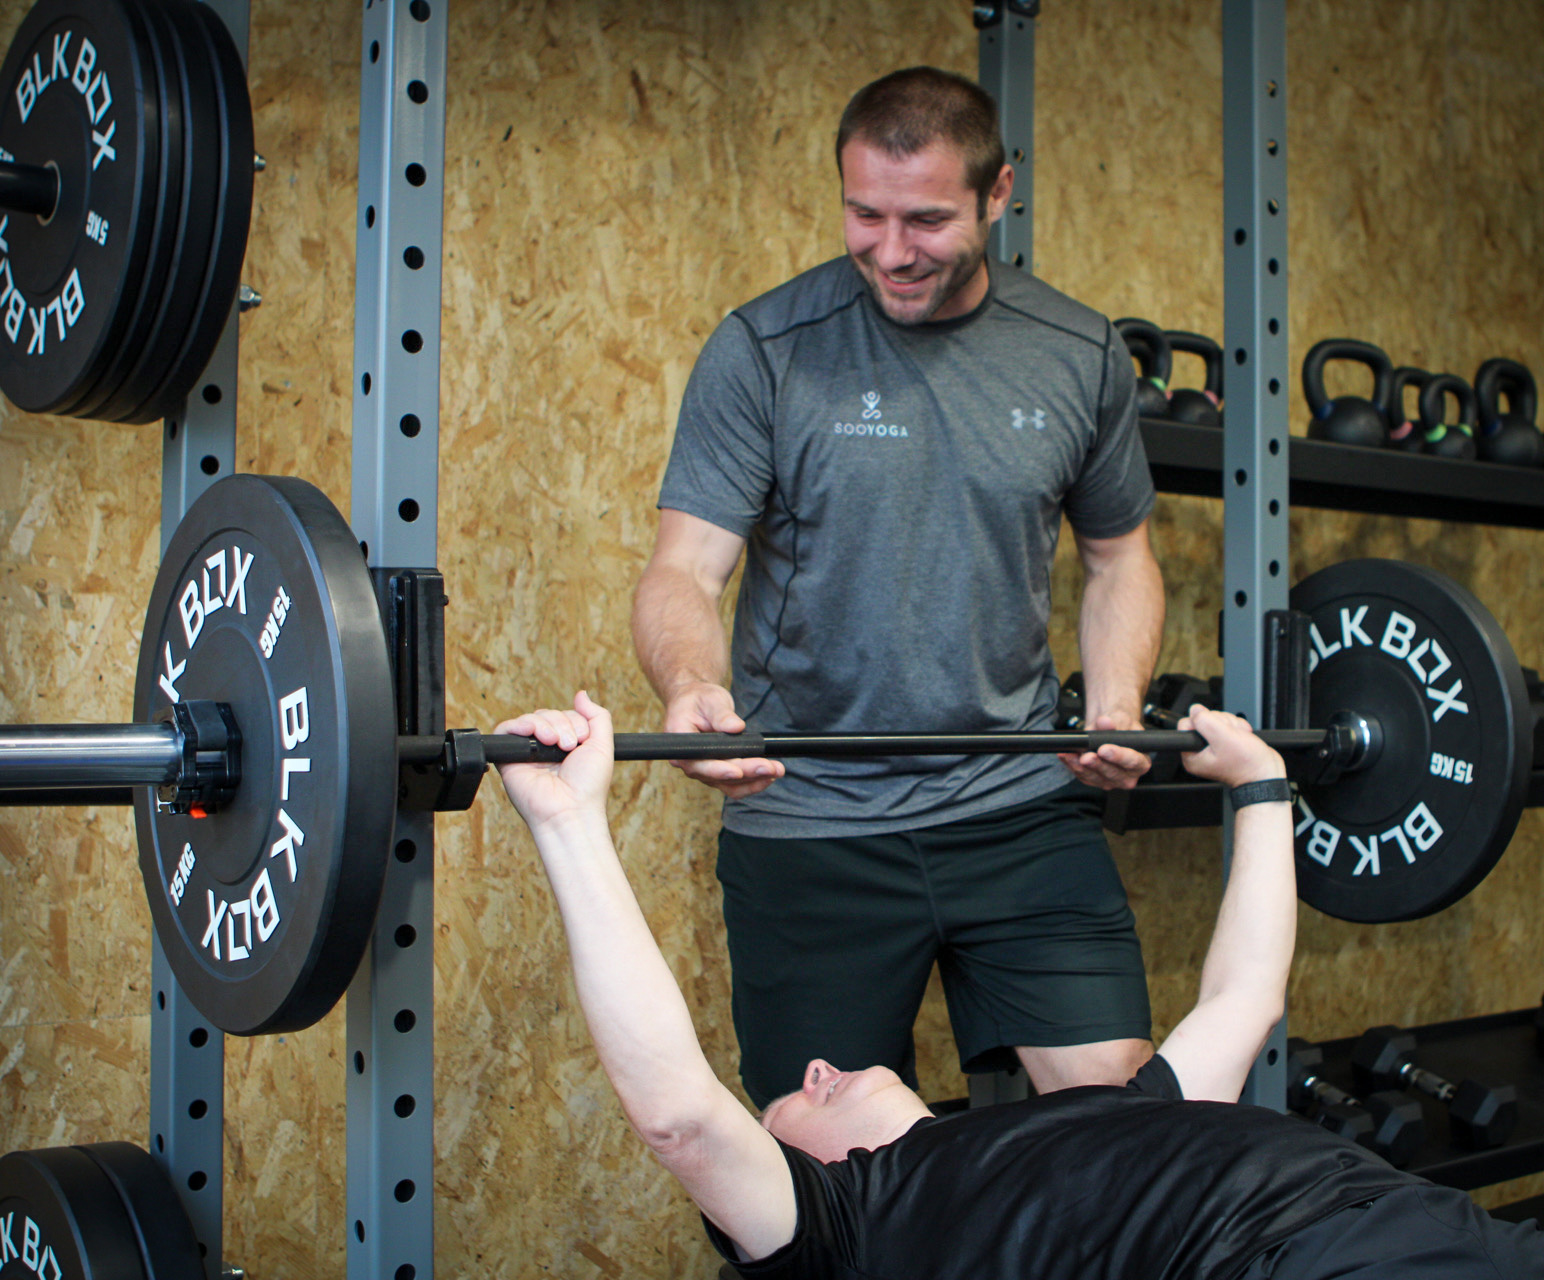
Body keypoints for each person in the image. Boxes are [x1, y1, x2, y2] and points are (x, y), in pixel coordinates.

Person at [496, 695, 1543, 1280]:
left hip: (1440, 1226)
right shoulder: (851, 1228)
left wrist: (1261, 781)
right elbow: (680, 1114)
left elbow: (1244, 997)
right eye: (790, 1103)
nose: (813, 1065)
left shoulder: (1113, 1111)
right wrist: (566, 824)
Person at [631, 65, 1165, 1106]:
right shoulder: (765, 349)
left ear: (997, 193)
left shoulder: (1075, 353)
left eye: (923, 219)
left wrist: (1113, 705)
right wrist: (690, 686)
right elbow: (683, 569)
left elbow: (1118, 558)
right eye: (862, 213)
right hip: (813, 813)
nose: (888, 249)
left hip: (1014, 797)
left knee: (1117, 1113)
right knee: (826, 1168)